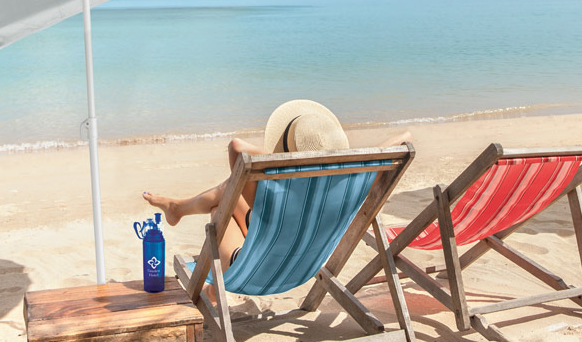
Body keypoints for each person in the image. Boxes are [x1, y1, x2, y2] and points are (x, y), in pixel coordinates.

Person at [143, 99, 411, 290]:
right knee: (228, 193)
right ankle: (177, 208)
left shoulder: (280, 188)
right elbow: (397, 143)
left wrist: (282, 159)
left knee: (220, 207)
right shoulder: (351, 182)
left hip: (249, 271)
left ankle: (178, 209)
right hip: (303, 268)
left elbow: (237, 147)